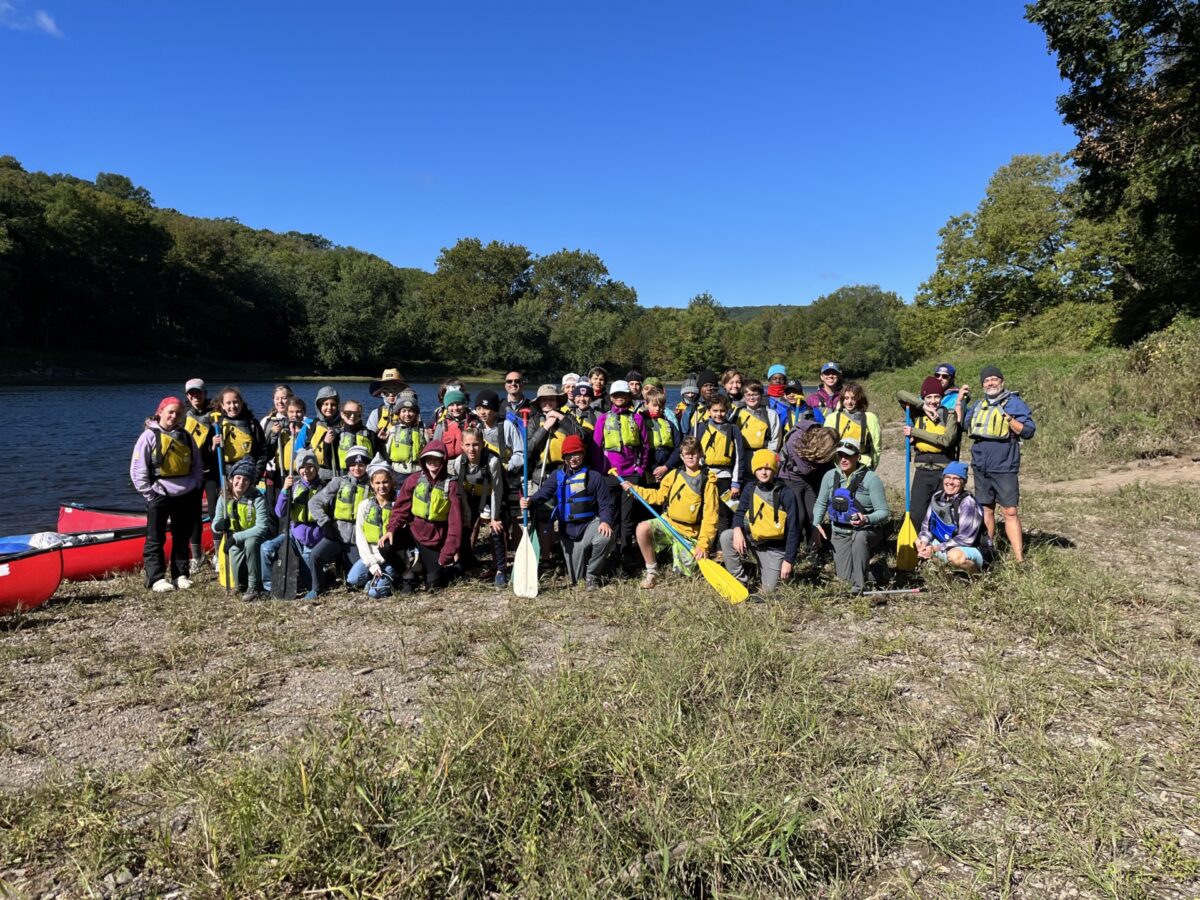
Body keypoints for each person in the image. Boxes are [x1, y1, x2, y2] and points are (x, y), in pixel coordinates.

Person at [522, 434, 615, 591]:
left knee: (605, 537)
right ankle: (583, 573)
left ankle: (592, 576)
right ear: (564, 457)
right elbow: (543, 494)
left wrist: (605, 521)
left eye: (577, 454)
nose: (573, 458)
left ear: (583, 455)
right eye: (569, 455)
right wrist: (530, 500)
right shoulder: (557, 476)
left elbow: (606, 504)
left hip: (589, 525)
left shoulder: (594, 477)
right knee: (577, 580)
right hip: (568, 531)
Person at [623, 436, 718, 588]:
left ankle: (707, 554)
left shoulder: (708, 481)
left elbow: (710, 516)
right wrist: (635, 490)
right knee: (642, 529)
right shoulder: (673, 475)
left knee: (686, 576)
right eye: (687, 454)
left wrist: (703, 544)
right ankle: (652, 572)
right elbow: (658, 497)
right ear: (681, 456)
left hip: (690, 532)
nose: (691, 456)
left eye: (694, 453)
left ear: (700, 454)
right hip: (669, 524)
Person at [130, 397, 204, 592]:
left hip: (185, 494)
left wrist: (195, 485)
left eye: (178, 413)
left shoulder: (186, 436)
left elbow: (197, 465)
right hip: (159, 494)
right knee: (155, 537)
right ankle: (156, 577)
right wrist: (150, 494)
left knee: (182, 536)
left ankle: (180, 574)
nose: (174, 416)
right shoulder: (148, 436)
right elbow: (137, 470)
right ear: (160, 412)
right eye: (170, 412)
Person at [964, 366, 1036, 563]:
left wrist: (1010, 419)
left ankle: (1019, 558)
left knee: (1009, 511)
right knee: (986, 509)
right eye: (986, 381)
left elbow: (1028, 431)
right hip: (981, 464)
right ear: (982, 385)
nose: (990, 383)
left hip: (1004, 465)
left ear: (1002, 382)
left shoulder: (1014, 403)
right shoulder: (979, 404)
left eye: (994, 379)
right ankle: (988, 552)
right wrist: (960, 404)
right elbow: (965, 425)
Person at [383, 440, 465, 594]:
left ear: (443, 460)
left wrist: (446, 554)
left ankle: (451, 569)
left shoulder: (451, 485)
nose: (432, 463)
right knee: (385, 546)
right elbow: (401, 508)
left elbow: (455, 524)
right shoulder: (414, 479)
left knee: (433, 587)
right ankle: (408, 576)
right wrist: (392, 529)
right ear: (423, 460)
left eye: (436, 459)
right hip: (413, 531)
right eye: (429, 459)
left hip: (434, 540)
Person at [813, 438, 891, 594]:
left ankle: (860, 587)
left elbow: (884, 512)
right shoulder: (830, 476)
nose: (843, 459)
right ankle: (878, 571)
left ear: (858, 457)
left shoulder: (871, 479)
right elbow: (821, 503)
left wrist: (866, 519)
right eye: (840, 455)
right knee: (845, 578)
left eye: (848, 456)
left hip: (865, 530)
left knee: (860, 538)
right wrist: (816, 524)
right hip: (839, 532)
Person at [720, 449, 802, 596]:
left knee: (770, 591)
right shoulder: (750, 488)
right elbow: (739, 513)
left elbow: (794, 530)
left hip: (775, 549)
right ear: (754, 470)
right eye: (759, 468)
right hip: (754, 541)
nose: (763, 472)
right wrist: (738, 530)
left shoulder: (786, 493)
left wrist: (788, 561)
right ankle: (740, 580)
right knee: (727, 536)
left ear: (774, 470)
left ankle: (758, 569)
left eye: (768, 468)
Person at [594, 380, 649, 569]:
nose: (619, 397)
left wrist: (639, 470)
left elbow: (645, 447)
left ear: (629, 397)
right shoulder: (603, 418)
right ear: (611, 397)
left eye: (623, 394)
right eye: (616, 394)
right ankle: (610, 553)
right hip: (609, 475)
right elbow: (596, 447)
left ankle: (625, 552)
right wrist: (601, 471)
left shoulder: (638, 418)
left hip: (630, 475)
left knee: (627, 517)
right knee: (611, 515)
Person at [897, 376, 964, 531]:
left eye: (937, 396)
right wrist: (922, 406)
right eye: (929, 397)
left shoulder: (950, 415)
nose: (933, 401)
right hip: (922, 470)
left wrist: (915, 432)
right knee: (917, 512)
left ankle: (939, 545)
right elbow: (900, 394)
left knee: (942, 510)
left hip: (944, 471)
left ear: (942, 397)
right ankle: (918, 546)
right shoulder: (917, 413)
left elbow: (946, 440)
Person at [307, 443, 373, 599]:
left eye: (361, 465)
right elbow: (314, 502)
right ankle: (317, 588)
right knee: (315, 555)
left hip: (358, 540)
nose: (357, 468)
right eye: (353, 465)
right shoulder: (339, 481)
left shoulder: (372, 484)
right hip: (337, 534)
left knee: (354, 582)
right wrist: (325, 523)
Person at [260, 450, 325, 597]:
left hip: (312, 542)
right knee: (266, 548)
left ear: (316, 468)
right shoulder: (294, 487)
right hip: (293, 536)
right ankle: (271, 588)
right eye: (302, 467)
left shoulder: (324, 488)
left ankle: (321, 576)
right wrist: (284, 490)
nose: (306, 471)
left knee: (312, 584)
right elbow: (280, 513)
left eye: (310, 467)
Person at [210, 458, 271, 601]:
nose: (241, 483)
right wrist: (218, 527)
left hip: (253, 536)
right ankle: (241, 584)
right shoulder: (224, 497)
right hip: (234, 539)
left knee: (250, 544)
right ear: (231, 479)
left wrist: (236, 538)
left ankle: (254, 586)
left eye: (246, 480)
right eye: (238, 478)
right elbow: (215, 522)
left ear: (250, 483)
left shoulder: (257, 497)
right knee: (238, 580)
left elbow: (262, 527)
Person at [454, 428, 508, 587]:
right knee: (465, 528)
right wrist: (465, 515)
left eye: (476, 445)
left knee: (496, 530)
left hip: (492, 496)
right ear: (462, 445)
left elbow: (497, 490)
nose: (472, 449)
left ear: (483, 444)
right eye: (468, 445)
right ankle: (466, 562)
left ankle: (500, 570)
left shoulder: (492, 461)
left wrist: (494, 517)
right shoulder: (459, 462)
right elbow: (461, 490)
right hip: (471, 497)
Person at [688, 395, 747, 543]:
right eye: (715, 411)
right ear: (709, 411)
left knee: (723, 513)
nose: (719, 414)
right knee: (703, 510)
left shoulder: (733, 430)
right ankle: (705, 543)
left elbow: (739, 458)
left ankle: (722, 547)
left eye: (722, 411)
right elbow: (691, 452)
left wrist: (736, 483)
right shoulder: (700, 428)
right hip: (705, 475)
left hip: (725, 477)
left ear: (727, 411)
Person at [916, 462, 988, 574]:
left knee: (954, 556)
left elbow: (966, 539)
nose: (950, 482)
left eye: (956, 479)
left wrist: (935, 548)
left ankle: (977, 577)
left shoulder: (968, 503)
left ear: (963, 482)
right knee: (918, 541)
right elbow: (926, 526)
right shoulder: (937, 497)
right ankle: (948, 575)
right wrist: (924, 542)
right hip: (946, 543)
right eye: (947, 477)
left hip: (972, 548)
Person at [779, 422, 838, 557]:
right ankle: (791, 550)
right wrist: (822, 462)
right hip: (791, 478)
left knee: (813, 515)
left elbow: (827, 467)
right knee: (798, 516)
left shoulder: (821, 451)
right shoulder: (796, 440)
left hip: (810, 480)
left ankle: (813, 549)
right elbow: (805, 469)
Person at [347, 458, 400, 598]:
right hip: (370, 554)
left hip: (390, 557)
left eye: (385, 482)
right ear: (371, 484)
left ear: (391, 482)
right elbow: (360, 537)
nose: (381, 486)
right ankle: (374, 577)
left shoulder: (398, 505)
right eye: (377, 483)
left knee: (374, 593)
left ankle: (391, 578)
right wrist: (372, 564)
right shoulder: (365, 505)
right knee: (352, 579)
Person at [181, 378, 218, 574]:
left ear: (205, 394)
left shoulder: (215, 417)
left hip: (211, 472)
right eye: (191, 394)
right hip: (192, 474)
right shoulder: (183, 417)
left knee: (215, 513)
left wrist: (214, 444)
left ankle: (219, 555)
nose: (195, 396)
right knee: (193, 514)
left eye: (199, 393)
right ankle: (197, 556)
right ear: (187, 396)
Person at [526, 384, 579, 490]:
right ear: (539, 403)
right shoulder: (534, 421)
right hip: (541, 474)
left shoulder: (567, 418)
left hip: (566, 472)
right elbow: (528, 448)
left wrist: (561, 418)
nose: (548, 403)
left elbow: (580, 437)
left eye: (551, 399)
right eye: (544, 400)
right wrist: (545, 427)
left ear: (557, 402)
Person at [824, 383, 882, 469]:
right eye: (846, 398)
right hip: (839, 464)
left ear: (859, 400)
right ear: (842, 400)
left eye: (853, 398)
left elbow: (876, 445)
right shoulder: (832, 418)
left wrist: (873, 466)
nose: (849, 402)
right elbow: (826, 445)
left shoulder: (870, 418)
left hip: (862, 463)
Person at [642, 384, 680, 486]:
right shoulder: (641, 423)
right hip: (649, 469)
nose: (658, 408)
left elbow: (678, 448)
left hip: (667, 468)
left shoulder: (670, 425)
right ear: (646, 404)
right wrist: (653, 469)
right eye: (654, 405)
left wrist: (666, 467)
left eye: (660, 405)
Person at [734, 380, 784, 453]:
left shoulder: (770, 414)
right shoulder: (737, 413)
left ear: (761, 396)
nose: (751, 398)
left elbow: (775, 439)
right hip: (742, 454)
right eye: (748, 395)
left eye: (755, 394)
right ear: (744, 396)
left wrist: (768, 455)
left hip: (763, 455)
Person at [431, 388, 480, 460]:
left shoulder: (474, 423)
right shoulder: (442, 425)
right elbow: (435, 447)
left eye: (459, 404)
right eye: (451, 405)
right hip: (448, 465)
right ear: (447, 407)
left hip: (469, 463)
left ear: (464, 405)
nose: (455, 408)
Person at [385, 393, 427, 476]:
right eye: (403, 411)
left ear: (416, 413)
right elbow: (386, 452)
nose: (407, 414)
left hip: (418, 471)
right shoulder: (393, 430)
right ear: (399, 413)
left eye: (411, 411)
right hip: (398, 472)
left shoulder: (422, 430)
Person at [309, 386, 342, 480]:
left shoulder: (343, 423)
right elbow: (308, 445)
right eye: (325, 404)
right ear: (319, 406)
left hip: (337, 472)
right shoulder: (314, 424)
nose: (329, 408)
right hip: (319, 473)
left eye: (333, 404)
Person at [333, 399, 376, 469]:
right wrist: (327, 443)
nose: (352, 416)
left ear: (361, 415)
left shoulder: (370, 434)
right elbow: (330, 459)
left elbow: (376, 455)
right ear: (342, 414)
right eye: (348, 413)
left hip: (366, 472)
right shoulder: (337, 434)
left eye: (357, 414)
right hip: (343, 474)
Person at [366, 367, 407, 440]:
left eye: (395, 389)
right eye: (386, 389)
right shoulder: (376, 413)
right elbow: (369, 436)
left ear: (402, 390)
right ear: (382, 392)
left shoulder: (410, 412)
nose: (391, 394)